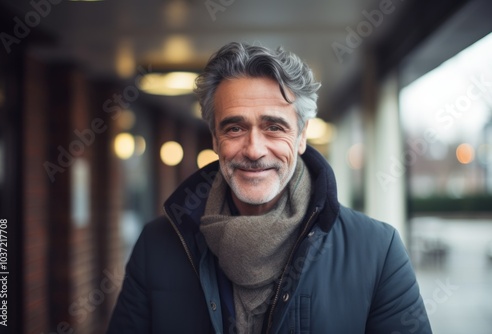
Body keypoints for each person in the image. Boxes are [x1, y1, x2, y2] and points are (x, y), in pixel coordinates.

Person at [106, 42, 432, 334]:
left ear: (302, 137)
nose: (254, 150)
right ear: (216, 139)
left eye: (274, 127)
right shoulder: (157, 245)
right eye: (235, 128)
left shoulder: (377, 251)